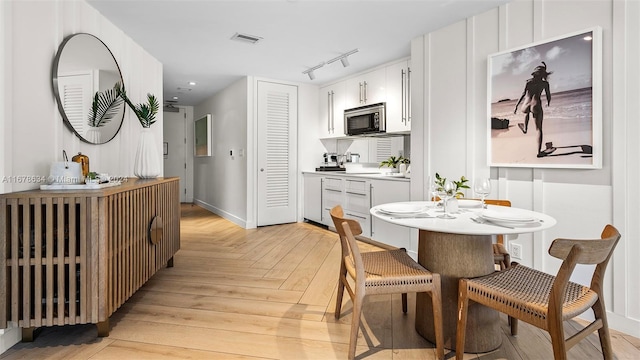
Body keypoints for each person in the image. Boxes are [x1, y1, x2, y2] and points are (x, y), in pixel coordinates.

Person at [514, 61, 554, 157]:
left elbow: (523, 94)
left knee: (527, 113)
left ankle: (525, 128)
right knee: (538, 129)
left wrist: (516, 105)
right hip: (536, 105)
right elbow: (548, 95)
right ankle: (539, 152)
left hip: (525, 105)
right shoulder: (545, 83)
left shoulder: (529, 82)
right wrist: (548, 102)